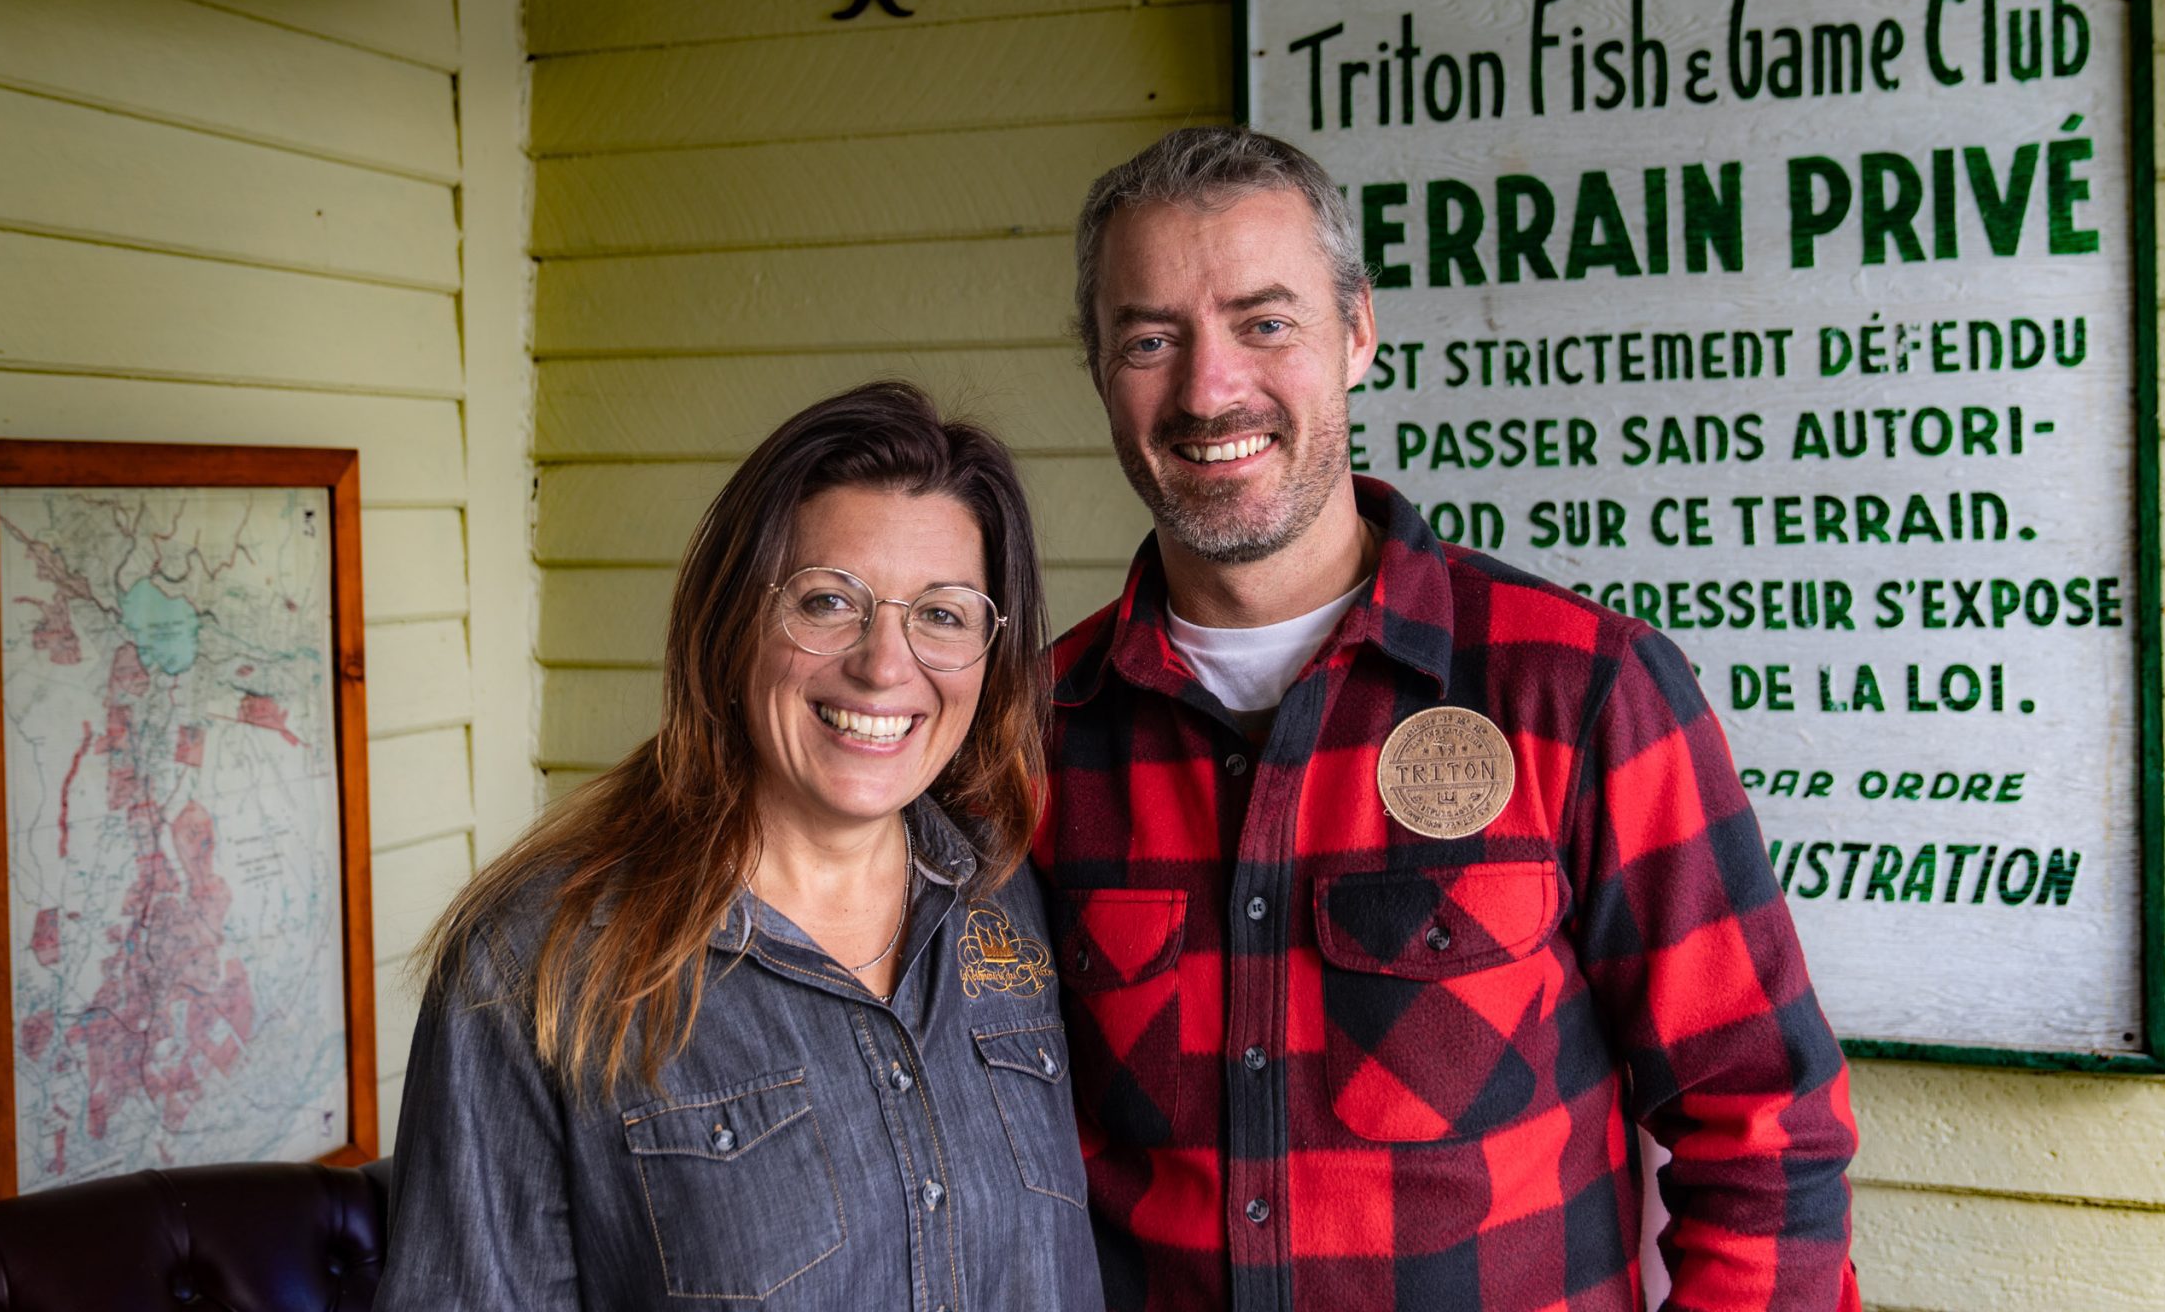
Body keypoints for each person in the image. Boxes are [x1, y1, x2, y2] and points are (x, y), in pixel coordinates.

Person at [1038, 126, 1862, 1311]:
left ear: (1358, 333)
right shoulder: (1035, 735)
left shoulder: (1581, 693)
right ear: (1100, 370)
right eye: (1151, 340)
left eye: (1266, 323)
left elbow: (1765, 1127)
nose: (1210, 388)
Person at [381, 382, 1102, 1311]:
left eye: (943, 613)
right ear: (732, 625)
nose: (885, 665)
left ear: (989, 655)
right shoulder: (536, 963)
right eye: (828, 601)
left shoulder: (1018, 892)